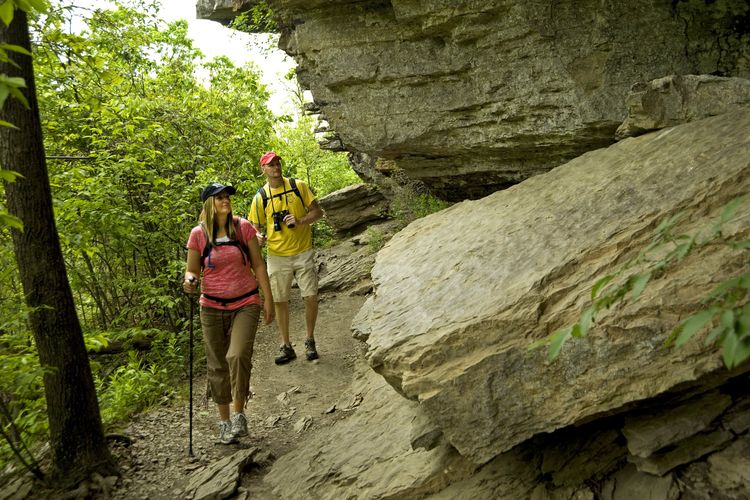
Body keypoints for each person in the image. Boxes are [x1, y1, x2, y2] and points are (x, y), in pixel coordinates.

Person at [183, 182, 274, 445]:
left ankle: (239, 415)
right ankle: (224, 422)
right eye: (220, 197)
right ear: (209, 203)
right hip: (211, 307)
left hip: (246, 302)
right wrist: (189, 281)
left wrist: (267, 299)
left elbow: (258, 263)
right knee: (217, 364)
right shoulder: (198, 235)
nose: (226, 201)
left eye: (227, 197)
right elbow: (191, 270)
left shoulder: (243, 227)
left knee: (237, 356)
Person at [249, 151, 324, 365]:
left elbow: (318, 212)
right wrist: (257, 236)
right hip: (277, 256)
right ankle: (286, 344)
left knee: (310, 296)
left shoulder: (298, 186)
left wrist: (300, 220)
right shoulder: (260, 198)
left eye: (277, 164)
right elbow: (254, 227)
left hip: (303, 251)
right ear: (263, 169)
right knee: (280, 300)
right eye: (271, 165)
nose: (276, 168)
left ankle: (309, 339)